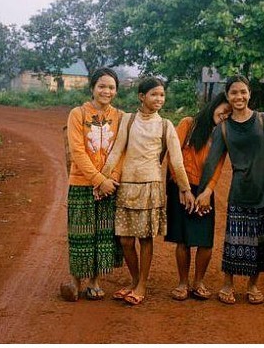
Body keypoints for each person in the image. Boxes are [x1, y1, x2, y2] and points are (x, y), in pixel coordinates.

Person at [100, 77, 195, 306]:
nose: (159, 99)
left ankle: (142, 284)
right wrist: (101, 178)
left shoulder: (165, 125)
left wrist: (186, 189)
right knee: (124, 239)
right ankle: (134, 281)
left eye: (162, 95)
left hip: (151, 187)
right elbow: (115, 152)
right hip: (127, 186)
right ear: (141, 96)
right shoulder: (128, 120)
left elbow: (177, 161)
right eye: (154, 94)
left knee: (145, 239)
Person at [197, 75, 264, 305]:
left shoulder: (263, 120)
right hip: (239, 192)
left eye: (243, 92)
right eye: (234, 92)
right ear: (227, 96)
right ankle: (228, 284)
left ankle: (252, 285)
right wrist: (203, 191)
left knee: (260, 241)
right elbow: (212, 161)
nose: (239, 96)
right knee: (235, 240)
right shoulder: (223, 129)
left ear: (250, 93)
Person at [60, 67, 124, 302]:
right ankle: (75, 282)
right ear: (92, 88)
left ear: (116, 91)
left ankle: (94, 281)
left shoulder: (120, 116)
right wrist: (99, 180)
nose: (106, 91)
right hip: (82, 184)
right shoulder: (78, 114)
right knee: (81, 234)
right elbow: (77, 151)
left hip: (110, 185)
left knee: (103, 235)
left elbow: (121, 150)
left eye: (111, 87)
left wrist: (111, 179)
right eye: (102, 86)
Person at [165, 92, 232, 301]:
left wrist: (208, 191)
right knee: (183, 240)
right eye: (224, 109)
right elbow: (173, 156)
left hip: (204, 192)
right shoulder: (189, 124)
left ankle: (198, 282)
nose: (225, 115)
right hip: (181, 188)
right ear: (214, 105)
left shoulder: (223, 134)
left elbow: (219, 165)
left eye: (230, 113)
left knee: (205, 241)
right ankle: (183, 283)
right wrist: (183, 188)